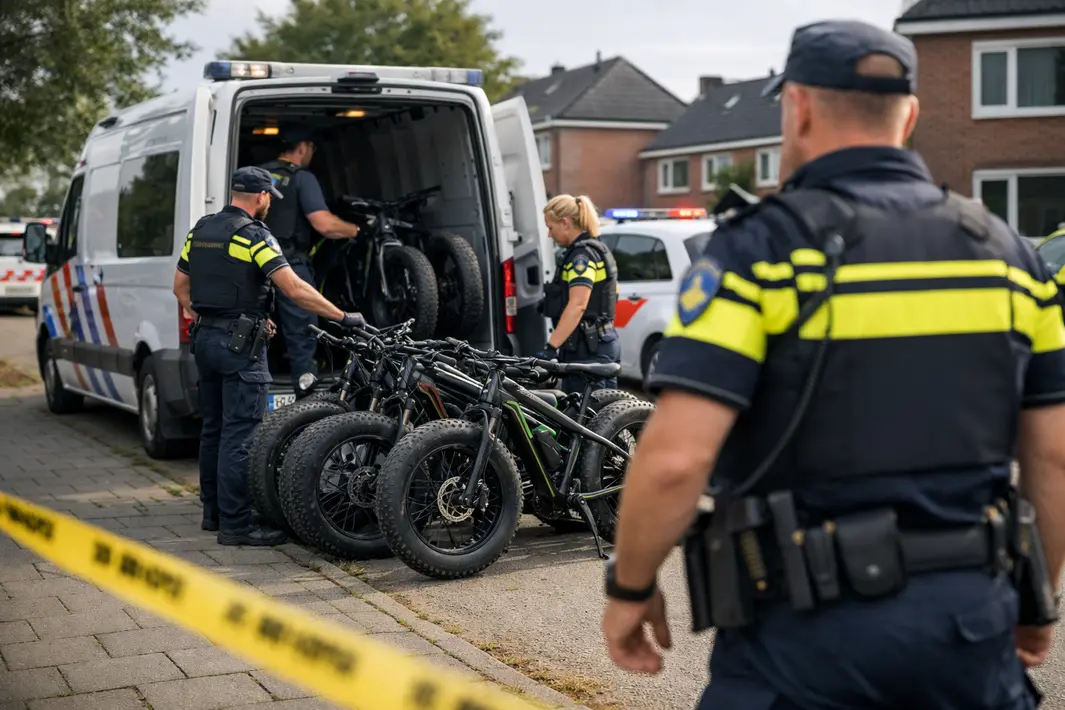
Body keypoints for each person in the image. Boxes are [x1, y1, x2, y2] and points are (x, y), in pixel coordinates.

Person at [600, 19, 1065, 710]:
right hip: (969, 632)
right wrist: (1035, 600)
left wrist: (629, 589)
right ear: (909, 114)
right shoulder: (1009, 257)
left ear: (798, 106)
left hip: (801, 643)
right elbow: (1053, 456)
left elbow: (674, 461)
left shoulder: (761, 253)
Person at [172, 166, 366, 547]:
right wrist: (343, 316)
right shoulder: (254, 236)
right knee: (239, 436)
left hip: (206, 340)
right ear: (260, 197)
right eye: (268, 199)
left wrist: (212, 319)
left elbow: (180, 288)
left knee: (212, 430)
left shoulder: (201, 231)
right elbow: (293, 288)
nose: (268, 206)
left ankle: (213, 515)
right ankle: (237, 526)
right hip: (239, 348)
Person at [259, 124, 361, 385]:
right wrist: (355, 229)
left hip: (255, 266)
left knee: (254, 332)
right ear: (303, 148)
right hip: (291, 265)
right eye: (312, 148)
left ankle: (257, 392)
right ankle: (304, 399)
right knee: (303, 334)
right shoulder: (301, 177)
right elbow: (324, 225)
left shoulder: (256, 176)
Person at [537, 194, 621, 394]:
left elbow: (578, 304)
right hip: (598, 344)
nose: (549, 235)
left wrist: (551, 347)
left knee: (588, 419)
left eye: (550, 227)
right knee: (600, 418)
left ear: (565, 223)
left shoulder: (581, 257)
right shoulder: (595, 249)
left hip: (589, 350)